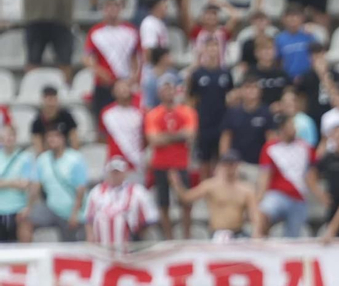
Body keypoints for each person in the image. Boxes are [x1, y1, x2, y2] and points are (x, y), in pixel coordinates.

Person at [145, 76, 198, 240]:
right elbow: (153, 140)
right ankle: (169, 238)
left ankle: (186, 237)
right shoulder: (153, 114)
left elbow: (190, 135)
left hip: (181, 163)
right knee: (163, 203)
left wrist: (165, 137)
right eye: (164, 88)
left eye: (170, 88)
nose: (168, 92)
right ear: (159, 92)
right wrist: (178, 136)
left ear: (176, 90)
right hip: (160, 164)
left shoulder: (187, 112)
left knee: (185, 202)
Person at [257, 114, 321, 238]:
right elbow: (264, 176)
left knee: (293, 238)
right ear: (282, 129)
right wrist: (258, 200)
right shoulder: (270, 148)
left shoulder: (305, 147)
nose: (294, 129)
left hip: (299, 198)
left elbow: (311, 175)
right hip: (277, 194)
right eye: (291, 125)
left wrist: (321, 195)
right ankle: (262, 241)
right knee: (263, 213)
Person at [180, 150, 260, 239]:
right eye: (227, 164)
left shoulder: (246, 189)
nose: (229, 168)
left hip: (238, 232)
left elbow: (254, 214)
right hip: (218, 232)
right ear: (221, 166)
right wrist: (175, 182)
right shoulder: (210, 185)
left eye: (232, 164)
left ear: (237, 165)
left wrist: (256, 233)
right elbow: (187, 198)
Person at [28, 126, 88, 242]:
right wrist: (28, 207)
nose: (52, 140)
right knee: (26, 220)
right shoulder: (42, 159)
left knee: (69, 244)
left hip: (70, 208)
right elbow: (35, 186)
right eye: (49, 137)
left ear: (63, 139)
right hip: (51, 207)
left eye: (56, 136)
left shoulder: (75, 158)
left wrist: (75, 213)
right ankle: (26, 256)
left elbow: (81, 189)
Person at [84, 157, 159, 250]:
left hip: (129, 247)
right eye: (112, 173)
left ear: (125, 173)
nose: (115, 176)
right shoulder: (96, 192)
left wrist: (137, 240)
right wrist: (91, 239)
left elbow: (149, 219)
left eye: (118, 173)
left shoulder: (137, 192)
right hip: (102, 248)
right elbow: (88, 219)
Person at [86, 0, 143, 117]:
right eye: (108, 7)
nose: (112, 10)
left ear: (120, 9)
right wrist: (102, 74)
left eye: (115, 6)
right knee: (103, 118)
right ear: (103, 10)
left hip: (126, 82)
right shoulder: (95, 32)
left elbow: (136, 57)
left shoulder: (131, 31)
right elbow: (88, 59)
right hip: (104, 84)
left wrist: (134, 77)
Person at [187, 43, 234, 175]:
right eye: (210, 48)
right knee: (205, 161)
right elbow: (191, 99)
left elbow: (231, 97)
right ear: (205, 51)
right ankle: (206, 191)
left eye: (215, 47)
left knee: (221, 160)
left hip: (222, 122)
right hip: (204, 123)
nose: (213, 51)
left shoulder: (226, 73)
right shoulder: (197, 74)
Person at [220, 77, 275, 172]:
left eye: (254, 88)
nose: (251, 91)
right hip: (236, 164)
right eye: (247, 87)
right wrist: (224, 160)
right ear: (241, 91)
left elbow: (271, 140)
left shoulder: (266, 113)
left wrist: (268, 164)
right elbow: (226, 137)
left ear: (260, 91)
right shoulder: (233, 112)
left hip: (258, 165)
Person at [23, 0, 76, 72]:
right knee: (33, 60)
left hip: (61, 19)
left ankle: (65, 86)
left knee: (65, 61)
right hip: (35, 18)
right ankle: (31, 85)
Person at [101, 80, 147, 176]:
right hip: (115, 162)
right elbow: (103, 136)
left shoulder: (139, 112)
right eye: (119, 88)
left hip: (135, 161)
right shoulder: (107, 113)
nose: (123, 90)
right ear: (113, 92)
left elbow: (145, 136)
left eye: (125, 87)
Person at [0, 126, 36, 244]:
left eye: (10, 136)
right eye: (3, 137)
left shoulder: (25, 157)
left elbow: (25, 184)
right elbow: (20, 183)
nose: (7, 139)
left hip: (18, 208)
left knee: (23, 244)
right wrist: (14, 182)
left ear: (15, 137)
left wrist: (3, 182)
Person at [29, 86, 79, 152]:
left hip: (66, 153)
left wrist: (73, 156)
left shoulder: (67, 117)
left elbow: (74, 138)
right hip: (47, 156)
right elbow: (38, 145)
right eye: (49, 100)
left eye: (54, 99)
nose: (51, 104)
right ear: (43, 100)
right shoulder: (37, 122)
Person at [276, 5, 318, 79]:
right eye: (289, 16)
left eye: (296, 16)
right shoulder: (279, 39)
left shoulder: (309, 35)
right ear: (283, 19)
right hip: (288, 78)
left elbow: (317, 55)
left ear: (302, 18)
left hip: (308, 77)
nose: (293, 19)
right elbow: (278, 61)